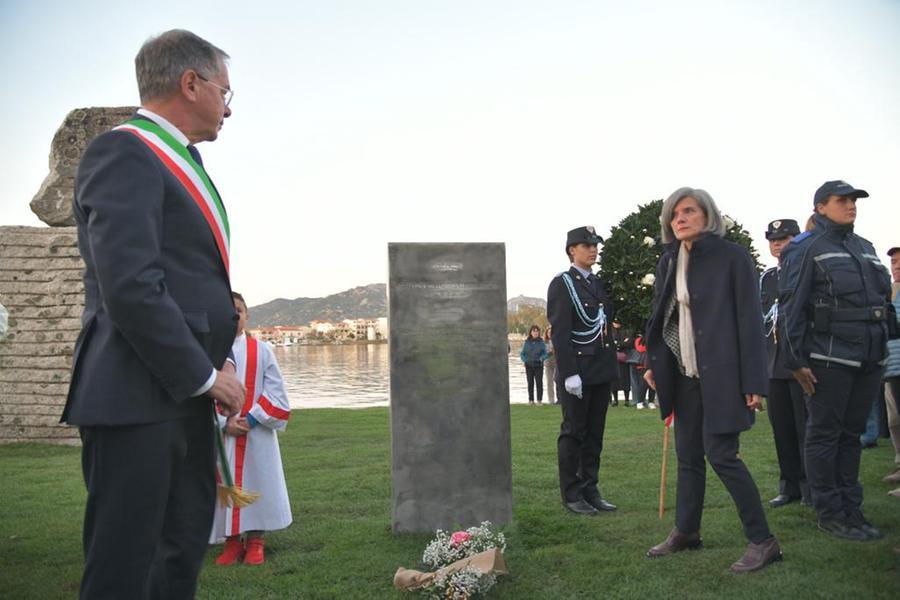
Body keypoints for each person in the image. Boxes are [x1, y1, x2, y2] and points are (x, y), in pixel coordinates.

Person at [61, 30, 244, 598]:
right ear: (190, 84)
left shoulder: (174, 160)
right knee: (126, 568)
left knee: (179, 555)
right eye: (225, 92)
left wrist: (217, 367)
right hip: (137, 399)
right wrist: (204, 375)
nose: (228, 109)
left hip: (180, 399)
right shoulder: (123, 152)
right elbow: (132, 286)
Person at [643, 187, 780, 574]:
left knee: (722, 456)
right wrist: (654, 364)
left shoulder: (733, 258)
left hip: (723, 376)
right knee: (688, 458)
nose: (680, 218)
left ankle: (763, 541)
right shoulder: (670, 259)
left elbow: (750, 322)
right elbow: (661, 317)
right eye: (674, 214)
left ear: (708, 215)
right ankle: (687, 531)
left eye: (689, 211)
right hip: (683, 374)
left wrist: (753, 380)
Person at [778, 180, 893, 541]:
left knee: (852, 435)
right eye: (842, 200)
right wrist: (795, 361)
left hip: (869, 357)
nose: (851, 206)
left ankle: (850, 507)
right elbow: (790, 308)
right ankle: (829, 511)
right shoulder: (806, 248)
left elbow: (882, 303)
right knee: (825, 435)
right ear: (820, 207)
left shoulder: (865, 247)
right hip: (827, 359)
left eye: (854, 201)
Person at [211, 293, 293, 565]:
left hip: (256, 433)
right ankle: (232, 543)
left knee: (258, 482)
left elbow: (277, 394)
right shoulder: (209, 352)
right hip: (223, 434)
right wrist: (225, 423)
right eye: (229, 311)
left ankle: (256, 541)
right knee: (224, 484)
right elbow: (200, 395)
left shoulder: (263, 350)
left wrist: (252, 419)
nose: (234, 316)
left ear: (247, 315)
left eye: (239, 310)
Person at [547, 226, 619, 515]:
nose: (593, 249)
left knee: (595, 434)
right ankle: (572, 493)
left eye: (594, 245)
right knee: (573, 432)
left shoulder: (600, 283)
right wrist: (569, 373)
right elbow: (561, 332)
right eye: (586, 245)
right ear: (571, 250)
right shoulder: (562, 283)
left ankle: (591, 488)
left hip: (600, 368)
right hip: (578, 370)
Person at [759, 218, 810, 508]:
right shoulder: (767, 278)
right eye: (773, 239)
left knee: (806, 428)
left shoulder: (805, 269)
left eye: (784, 238)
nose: (777, 243)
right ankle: (788, 486)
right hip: (773, 362)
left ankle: (809, 486)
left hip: (799, 361)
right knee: (782, 429)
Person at [883, 246, 900, 493]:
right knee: (895, 420)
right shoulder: (891, 291)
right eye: (894, 262)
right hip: (891, 366)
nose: (897, 266)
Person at [520, 325, 549, 404]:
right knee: (530, 383)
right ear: (531, 332)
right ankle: (531, 400)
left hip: (538, 365)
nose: (535, 332)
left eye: (537, 331)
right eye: (534, 331)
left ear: (539, 332)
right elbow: (522, 354)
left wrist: (541, 358)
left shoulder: (541, 342)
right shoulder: (527, 342)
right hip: (528, 365)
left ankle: (539, 400)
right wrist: (524, 360)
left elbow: (546, 354)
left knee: (539, 383)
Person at [610, 321, 632, 406]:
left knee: (626, 380)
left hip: (624, 359)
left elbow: (628, 342)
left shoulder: (625, 331)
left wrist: (618, 344)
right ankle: (615, 400)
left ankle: (627, 400)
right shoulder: (611, 331)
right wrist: (621, 343)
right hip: (614, 359)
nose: (616, 324)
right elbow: (610, 343)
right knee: (614, 381)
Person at [544, 327, 557, 404]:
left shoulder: (557, 341)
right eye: (548, 332)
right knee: (549, 382)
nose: (550, 334)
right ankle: (551, 400)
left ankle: (559, 399)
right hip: (548, 364)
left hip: (556, 364)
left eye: (551, 332)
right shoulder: (544, 343)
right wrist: (549, 352)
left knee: (557, 381)